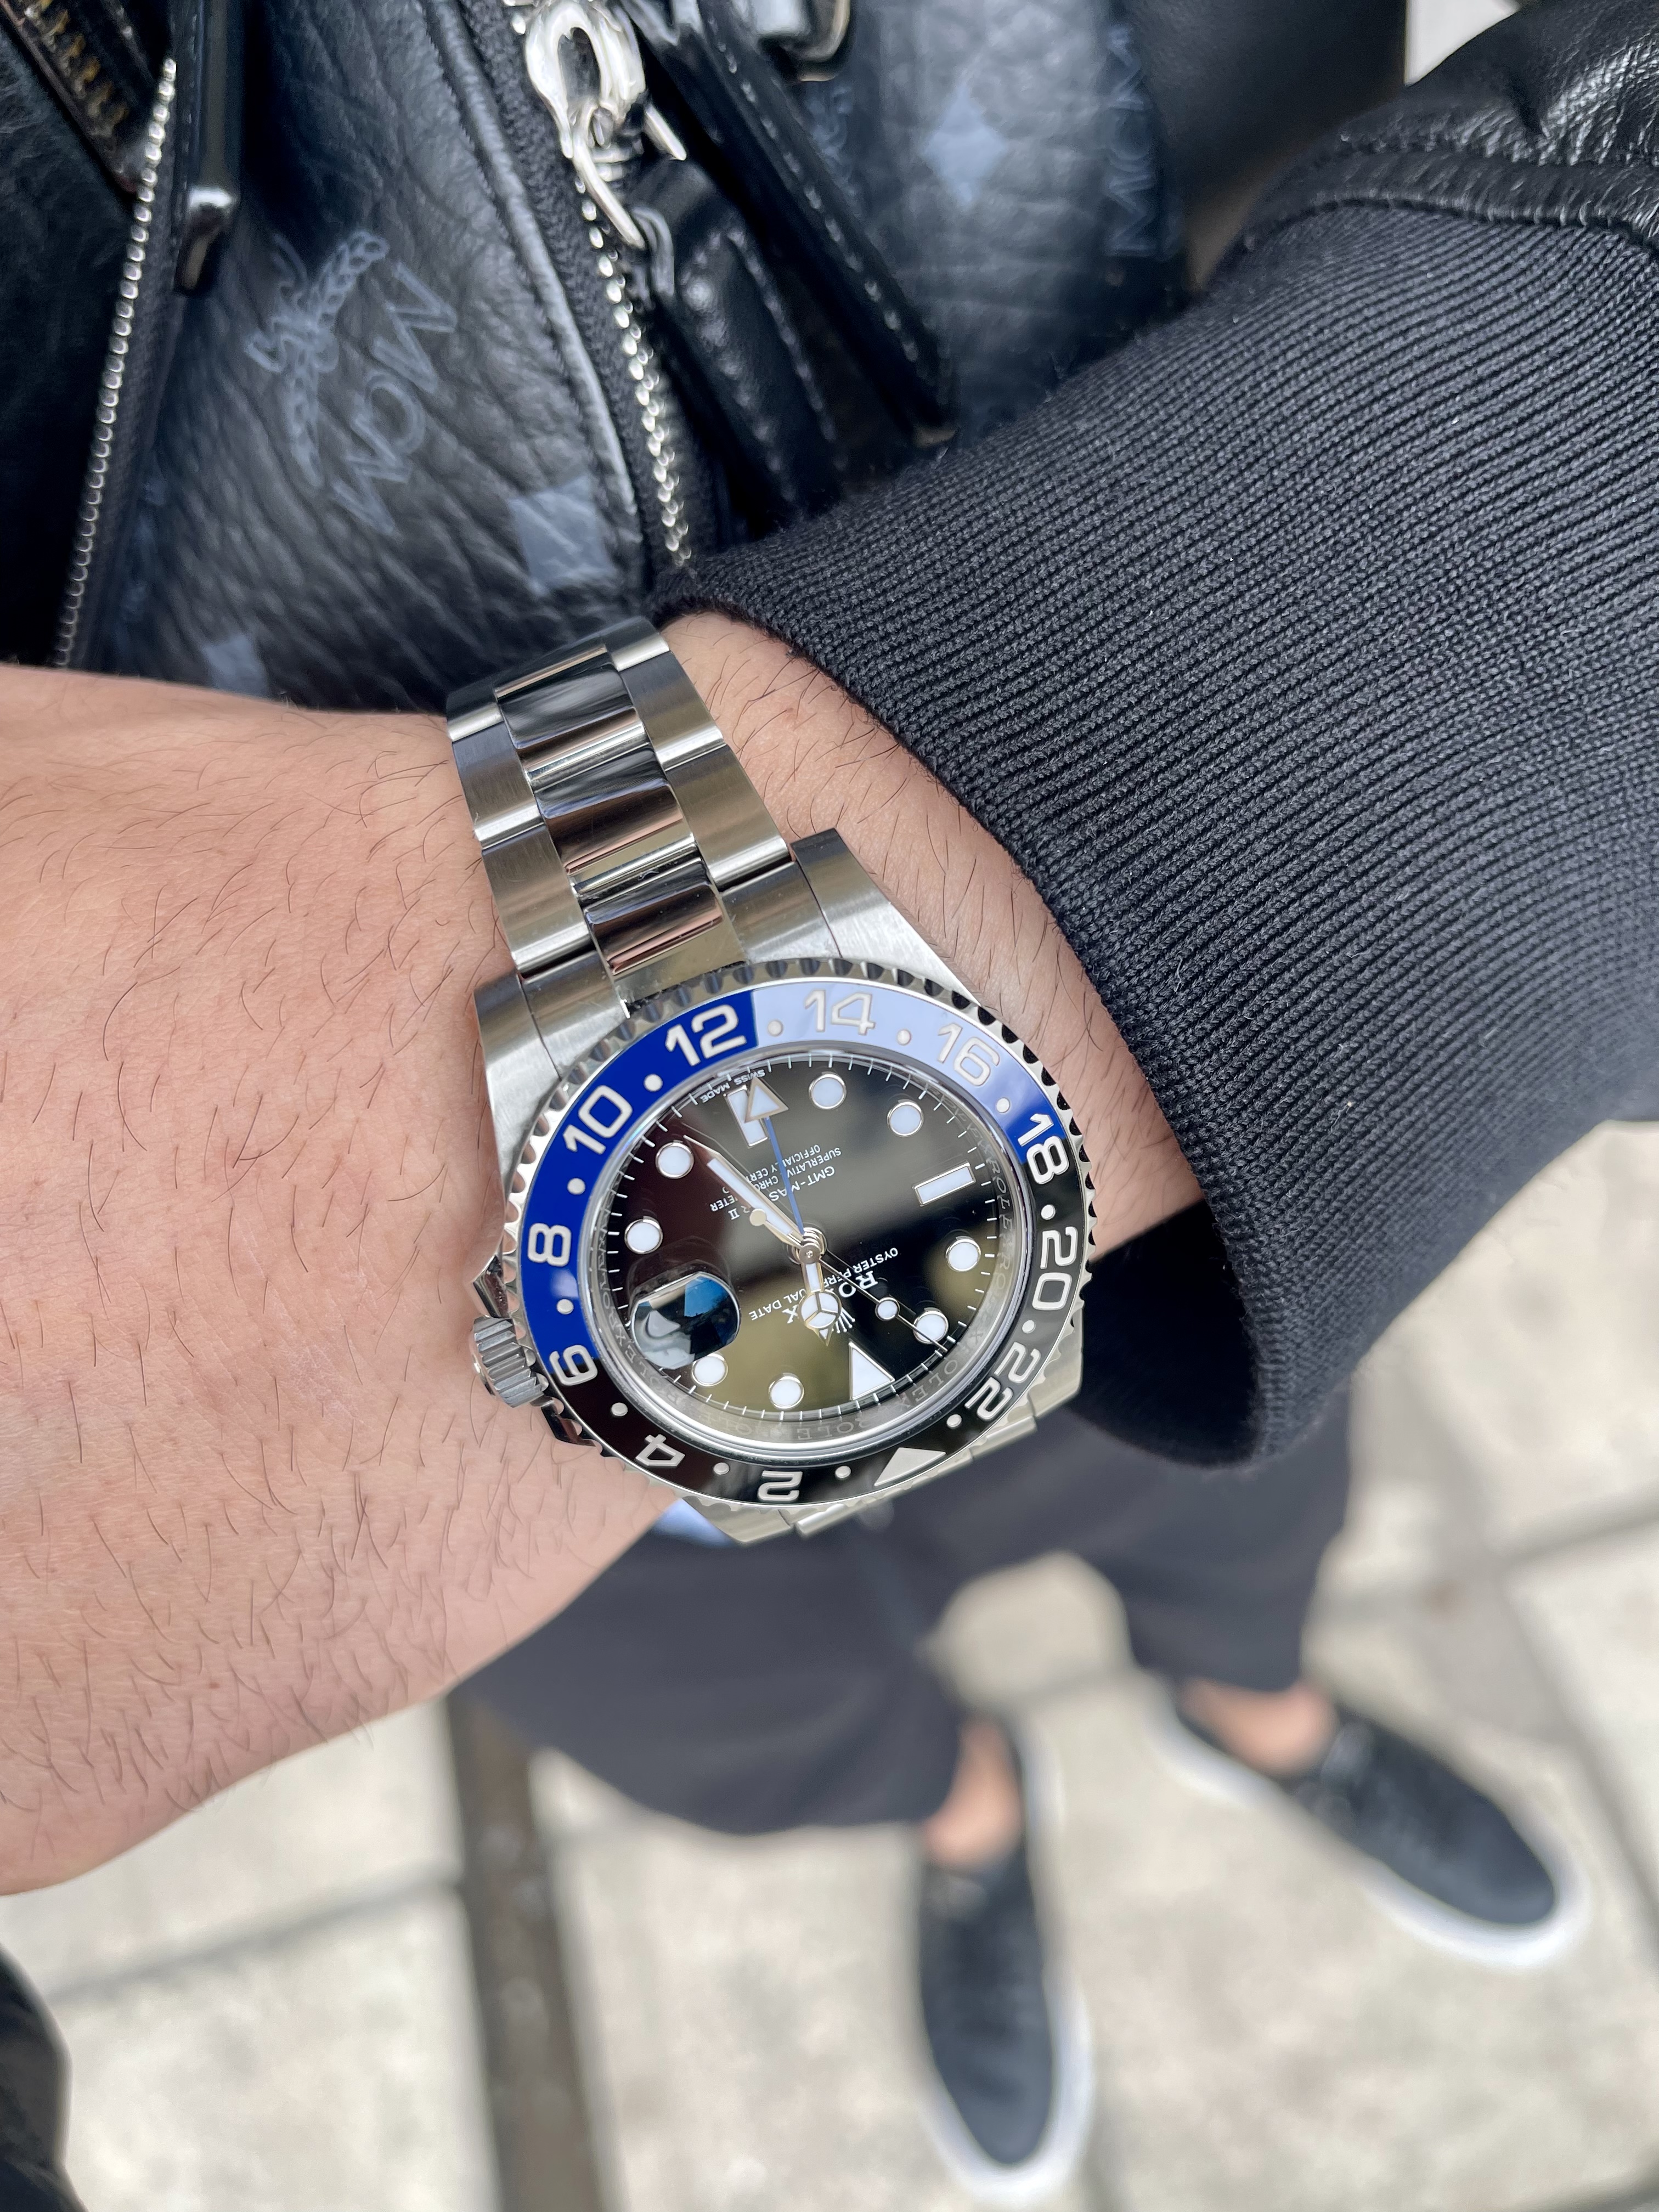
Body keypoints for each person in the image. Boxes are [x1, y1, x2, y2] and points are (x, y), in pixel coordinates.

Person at [1, 0, 1656, 2190]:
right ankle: (969, 1830)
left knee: (1250, 1538)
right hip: (308, 1419)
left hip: (1185, 1173)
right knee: (781, 1735)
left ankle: (1266, 1718)